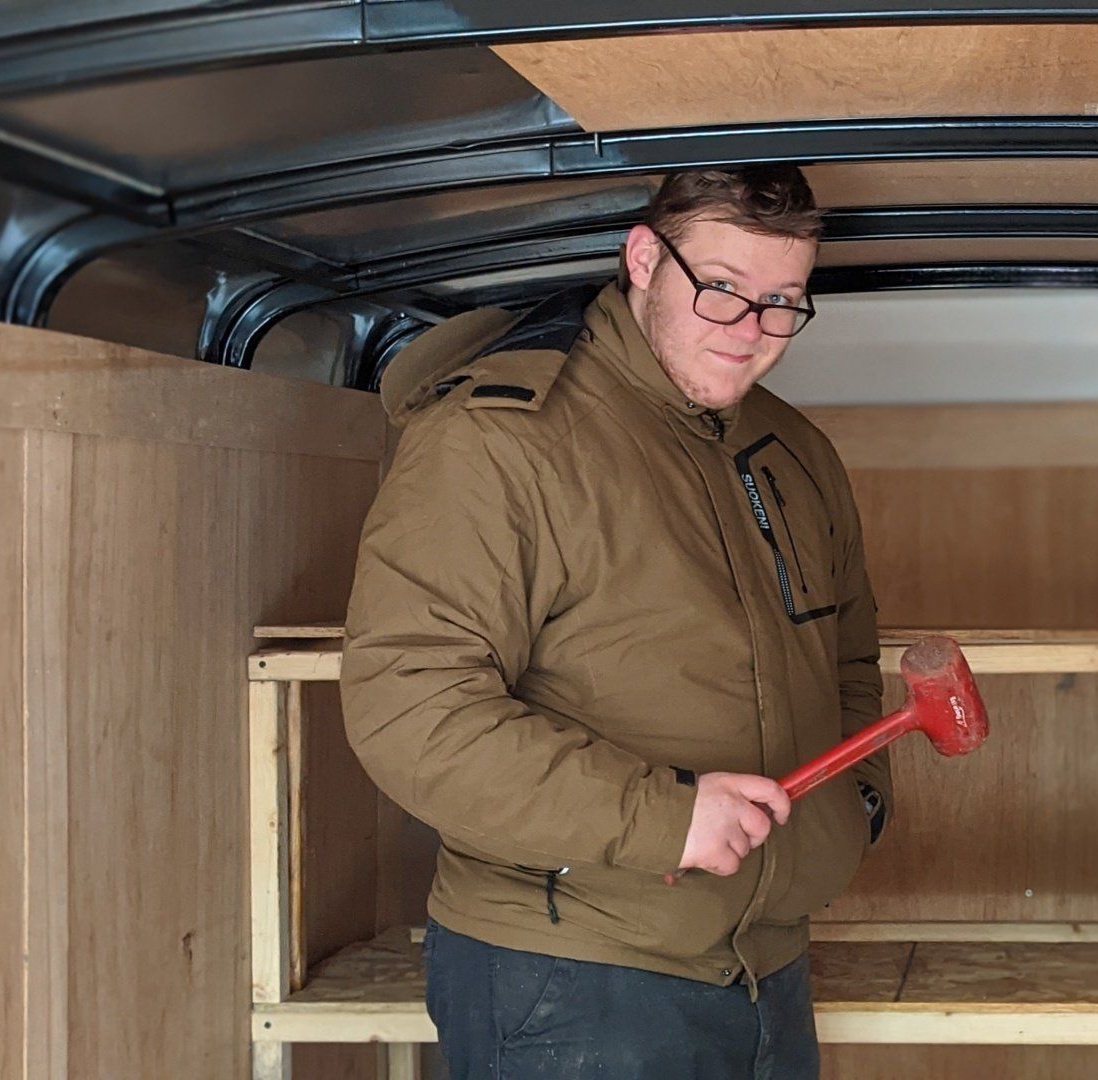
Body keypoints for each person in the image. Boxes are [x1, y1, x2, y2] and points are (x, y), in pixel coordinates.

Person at [340, 165, 891, 1079]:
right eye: (723, 289)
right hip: (571, 974)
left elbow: (849, 664)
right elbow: (413, 709)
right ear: (644, 259)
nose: (751, 330)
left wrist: (855, 810)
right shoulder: (499, 438)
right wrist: (663, 820)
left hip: (768, 967)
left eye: (782, 302)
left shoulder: (793, 451)